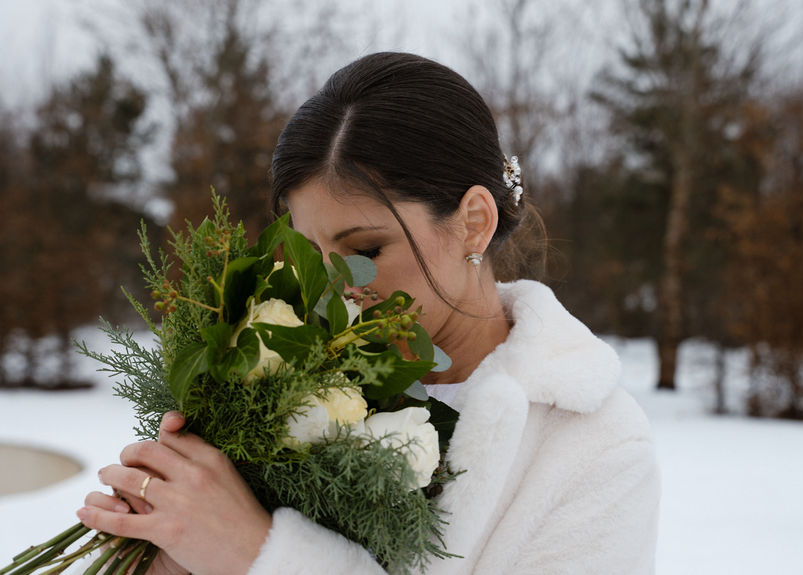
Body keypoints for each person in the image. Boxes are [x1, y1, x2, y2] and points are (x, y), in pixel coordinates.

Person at [76, 52, 660, 574]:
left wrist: (260, 555)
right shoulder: (280, 383)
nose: (333, 289)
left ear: (474, 221)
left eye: (365, 250)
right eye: (309, 252)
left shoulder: (595, 449)